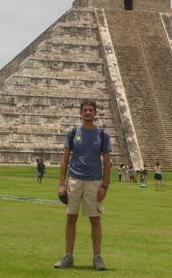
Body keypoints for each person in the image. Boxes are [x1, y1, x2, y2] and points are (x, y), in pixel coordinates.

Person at [54, 99, 112, 271]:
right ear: (80, 113)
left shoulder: (102, 134)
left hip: (94, 181)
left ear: (95, 113)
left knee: (95, 219)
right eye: (85, 110)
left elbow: (107, 162)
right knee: (71, 217)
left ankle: (97, 257)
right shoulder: (72, 133)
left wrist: (105, 186)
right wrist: (62, 183)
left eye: (90, 110)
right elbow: (65, 160)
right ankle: (68, 256)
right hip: (74, 180)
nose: (88, 113)